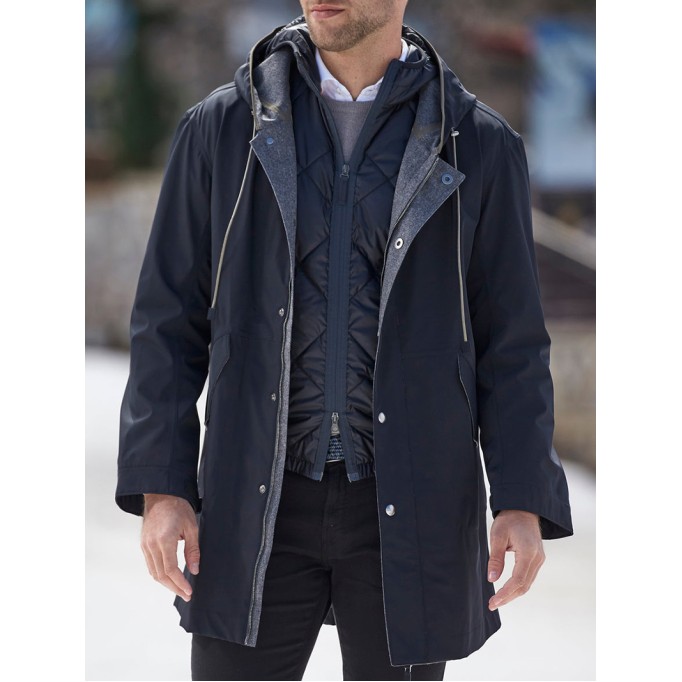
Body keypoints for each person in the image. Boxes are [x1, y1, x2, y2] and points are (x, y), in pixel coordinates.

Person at [115, 1, 574, 680]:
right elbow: (166, 323)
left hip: (412, 505)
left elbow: (512, 345)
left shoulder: (478, 143)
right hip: (253, 498)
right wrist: (162, 487)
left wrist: (522, 496)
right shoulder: (223, 128)